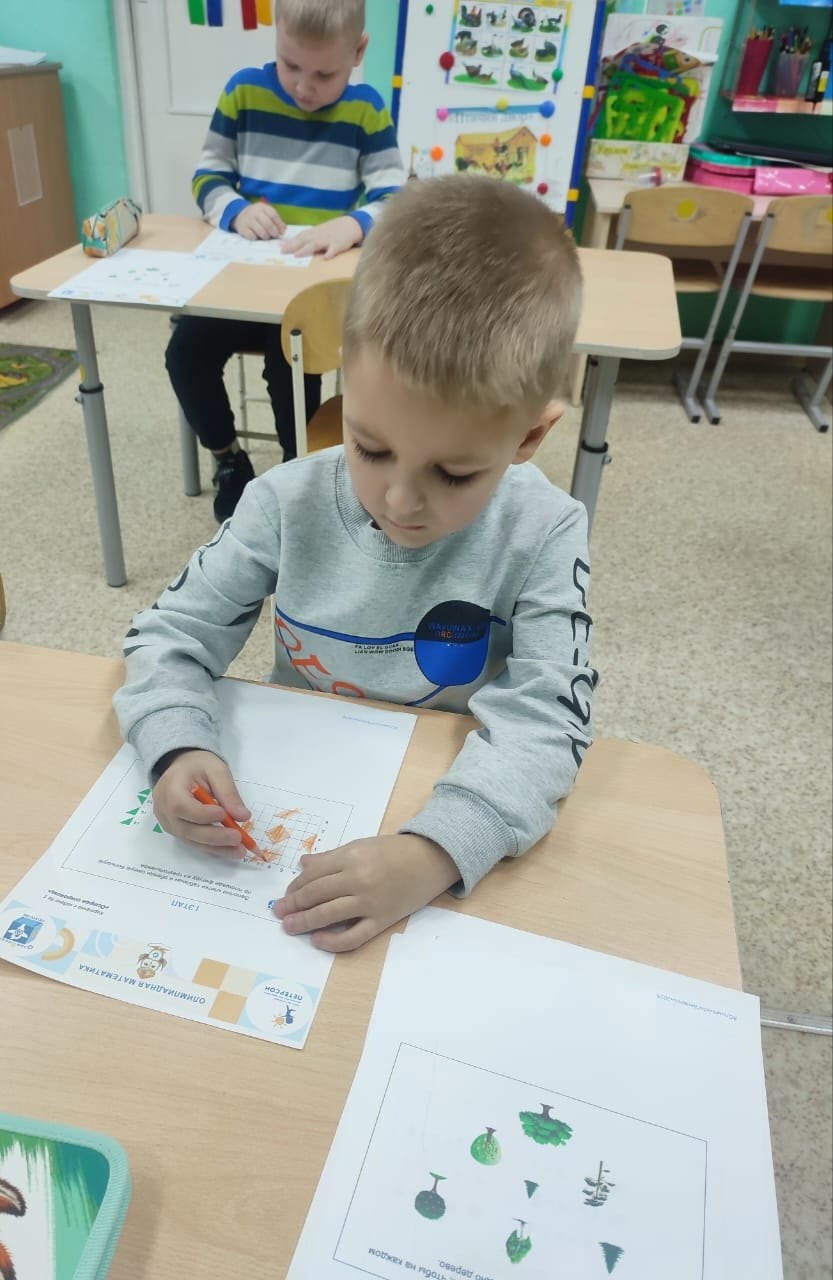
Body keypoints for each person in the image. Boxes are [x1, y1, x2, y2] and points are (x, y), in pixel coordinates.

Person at [116, 174, 596, 955]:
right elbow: (170, 635)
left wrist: (436, 851)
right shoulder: (284, 501)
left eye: (454, 473)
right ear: (344, 377)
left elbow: (548, 718)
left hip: (441, 793)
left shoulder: (544, 529)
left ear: (529, 438)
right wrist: (175, 745)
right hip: (298, 780)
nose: (400, 500)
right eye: (370, 449)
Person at [166, 0, 405, 522]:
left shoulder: (366, 109)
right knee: (185, 351)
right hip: (242, 285)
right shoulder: (244, 91)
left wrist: (353, 223)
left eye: (325, 74)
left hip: (307, 297)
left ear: (358, 52)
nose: (303, 86)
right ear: (276, 35)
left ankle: (298, 471)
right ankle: (229, 459)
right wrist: (235, 210)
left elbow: (393, 195)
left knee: (294, 364)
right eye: (290, 64)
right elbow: (208, 176)